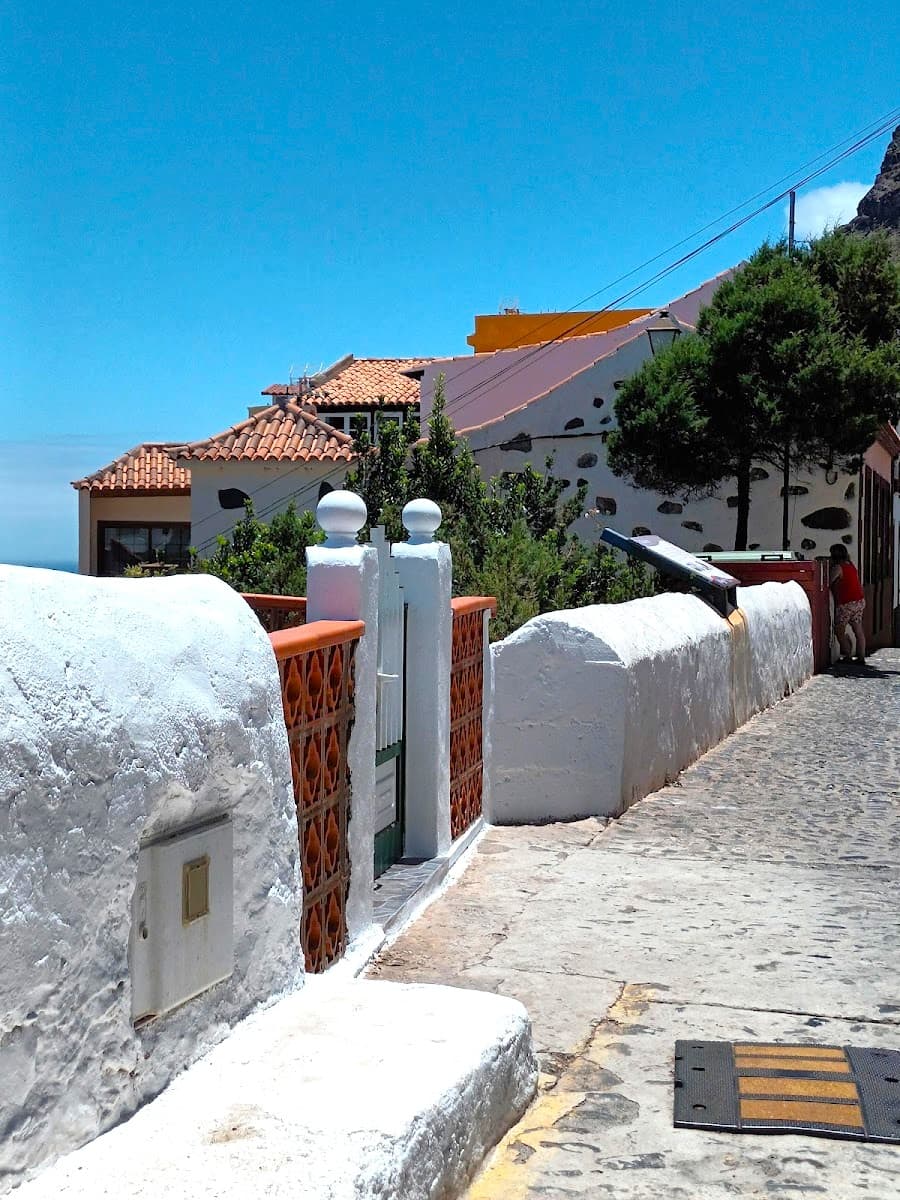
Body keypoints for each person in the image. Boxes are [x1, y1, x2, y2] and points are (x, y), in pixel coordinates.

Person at [829, 544, 866, 664]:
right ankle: (861, 657)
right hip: (859, 600)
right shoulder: (850, 565)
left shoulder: (838, 568)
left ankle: (848, 655)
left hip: (847, 602)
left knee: (839, 629)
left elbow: (828, 582)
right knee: (858, 629)